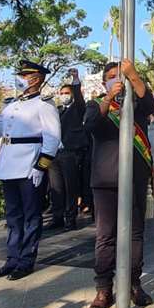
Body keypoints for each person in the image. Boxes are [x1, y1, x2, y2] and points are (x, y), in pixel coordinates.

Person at [0, 60, 61, 281]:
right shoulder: (10, 105)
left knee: (31, 216)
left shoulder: (44, 105)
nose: (21, 78)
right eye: (21, 75)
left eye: (25, 75)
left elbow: (52, 138)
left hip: (29, 164)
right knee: (13, 216)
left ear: (37, 79)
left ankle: (26, 261)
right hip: (8, 164)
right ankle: (12, 259)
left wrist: (41, 166)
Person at [83, 60, 154, 308]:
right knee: (106, 236)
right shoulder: (96, 104)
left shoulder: (136, 102)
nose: (117, 80)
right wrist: (107, 99)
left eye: (120, 76)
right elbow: (91, 126)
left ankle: (134, 284)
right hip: (105, 179)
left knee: (135, 234)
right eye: (111, 76)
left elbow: (152, 106)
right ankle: (104, 289)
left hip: (134, 178)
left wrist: (133, 76)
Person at [47, 68, 87, 230]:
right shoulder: (57, 110)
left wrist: (75, 79)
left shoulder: (77, 108)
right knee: (56, 188)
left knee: (71, 188)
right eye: (61, 92)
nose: (63, 95)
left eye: (66, 92)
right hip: (55, 153)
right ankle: (57, 218)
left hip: (71, 152)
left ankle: (70, 219)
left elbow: (78, 98)